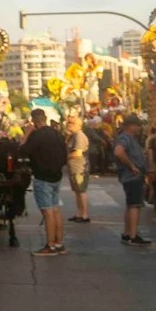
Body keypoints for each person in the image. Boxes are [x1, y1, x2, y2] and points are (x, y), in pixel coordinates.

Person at [21, 108, 69, 255]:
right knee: (55, 209)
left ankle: (50, 245)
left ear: (34, 121)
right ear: (45, 118)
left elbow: (22, 151)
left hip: (42, 177)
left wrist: (27, 133)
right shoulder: (56, 133)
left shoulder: (36, 135)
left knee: (47, 211)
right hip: (56, 176)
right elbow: (64, 154)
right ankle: (59, 243)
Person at [113, 114, 152, 246]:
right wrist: (132, 166)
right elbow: (118, 152)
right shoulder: (125, 138)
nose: (139, 128)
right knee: (135, 205)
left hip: (132, 176)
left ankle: (127, 233)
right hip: (132, 176)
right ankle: (133, 235)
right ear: (131, 126)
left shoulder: (130, 138)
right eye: (137, 125)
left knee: (130, 205)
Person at [65, 115, 91, 224]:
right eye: (68, 122)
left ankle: (84, 215)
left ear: (78, 125)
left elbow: (78, 153)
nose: (68, 125)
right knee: (77, 191)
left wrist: (65, 157)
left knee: (81, 191)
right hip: (74, 168)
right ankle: (79, 213)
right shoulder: (73, 136)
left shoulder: (79, 136)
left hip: (80, 168)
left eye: (71, 123)